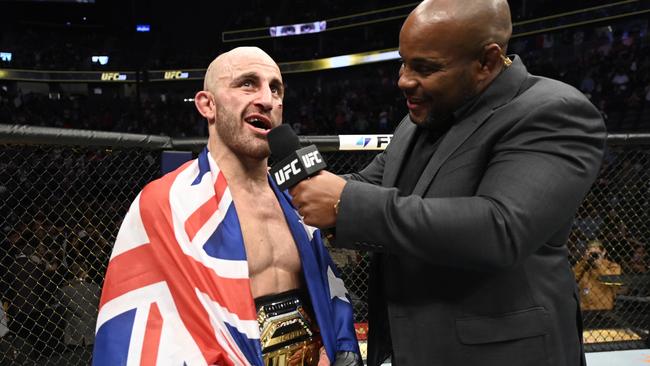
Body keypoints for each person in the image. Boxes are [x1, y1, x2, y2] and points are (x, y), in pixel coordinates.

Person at [289, 0, 606, 365]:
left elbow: (500, 228)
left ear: (486, 62)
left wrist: (347, 204)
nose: (403, 80)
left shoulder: (553, 111)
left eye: (425, 67)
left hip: (506, 355)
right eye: (403, 62)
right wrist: (262, 190)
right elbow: (363, 183)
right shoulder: (417, 121)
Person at [93, 47, 361, 366]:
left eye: (275, 88)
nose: (267, 99)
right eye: (247, 83)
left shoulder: (297, 199)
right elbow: (136, 327)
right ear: (208, 105)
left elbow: (326, 293)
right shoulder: (165, 202)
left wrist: (336, 348)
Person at [573, 240, 622, 324]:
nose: (594, 256)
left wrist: (599, 265)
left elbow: (612, 280)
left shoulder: (612, 266)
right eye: (592, 253)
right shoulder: (583, 265)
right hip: (584, 309)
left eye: (597, 253)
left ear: (603, 252)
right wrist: (585, 260)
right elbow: (572, 277)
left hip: (603, 310)